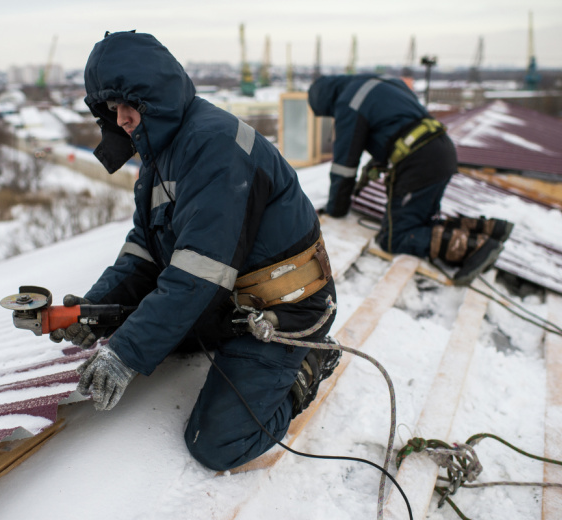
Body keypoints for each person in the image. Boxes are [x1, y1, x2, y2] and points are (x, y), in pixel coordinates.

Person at [50, 31, 340, 472]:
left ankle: (310, 363)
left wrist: (125, 354)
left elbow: (197, 274)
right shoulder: (159, 156)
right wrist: (96, 306)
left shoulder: (214, 147)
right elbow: (145, 250)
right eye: (113, 110)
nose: (124, 119)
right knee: (135, 327)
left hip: (282, 309)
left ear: (160, 98)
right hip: (226, 302)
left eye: (134, 106)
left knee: (218, 443)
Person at [308, 74, 513, 285]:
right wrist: (378, 160)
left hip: (419, 161)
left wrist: (336, 209)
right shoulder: (383, 83)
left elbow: (344, 167)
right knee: (420, 222)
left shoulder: (348, 103)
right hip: (441, 149)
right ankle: (490, 230)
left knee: (393, 238)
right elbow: (397, 125)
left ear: (326, 102)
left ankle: (476, 248)